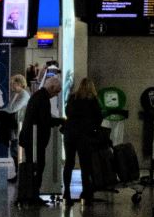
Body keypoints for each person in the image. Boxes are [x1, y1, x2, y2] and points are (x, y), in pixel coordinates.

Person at [16, 74, 62, 204]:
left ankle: (31, 194)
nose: (56, 94)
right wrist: (60, 121)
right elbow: (45, 120)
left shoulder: (38, 96)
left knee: (33, 166)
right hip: (35, 140)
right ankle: (34, 195)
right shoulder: (43, 98)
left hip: (30, 138)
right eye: (56, 91)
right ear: (52, 87)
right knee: (37, 166)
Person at [62, 78, 102, 206]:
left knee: (69, 162)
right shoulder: (93, 100)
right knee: (85, 164)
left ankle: (66, 192)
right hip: (84, 135)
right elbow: (99, 118)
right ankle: (86, 192)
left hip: (69, 133)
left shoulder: (73, 97)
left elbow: (67, 112)